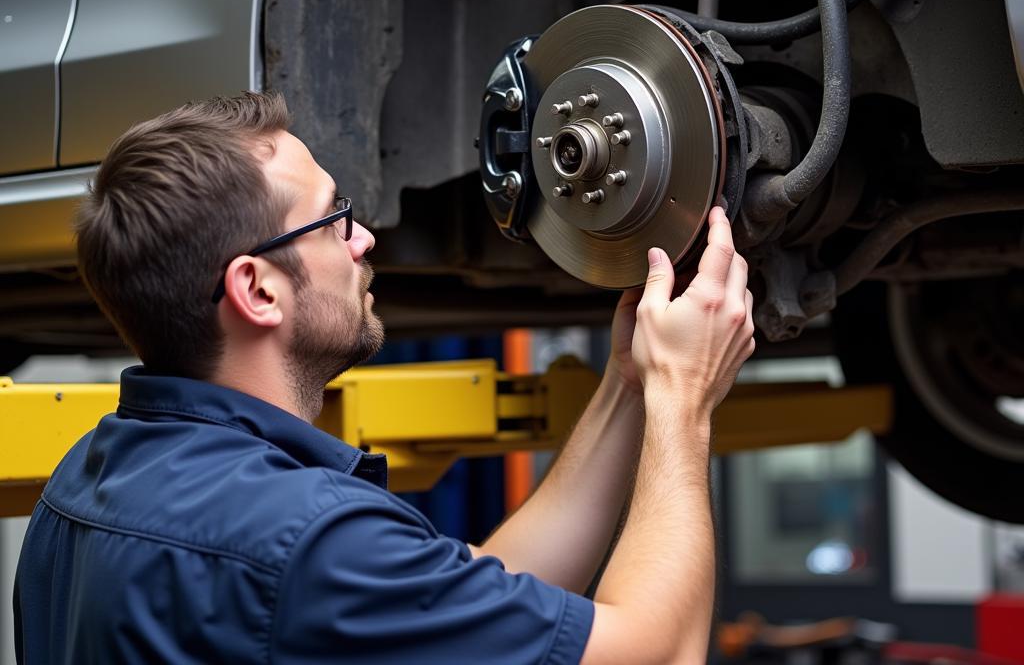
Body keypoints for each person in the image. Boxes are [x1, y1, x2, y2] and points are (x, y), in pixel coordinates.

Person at [13, 91, 754, 664]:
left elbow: (461, 607)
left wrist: (629, 383)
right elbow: (661, 653)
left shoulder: (84, 483)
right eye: (333, 218)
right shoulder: (302, 541)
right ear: (258, 290)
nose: (364, 237)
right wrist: (681, 397)